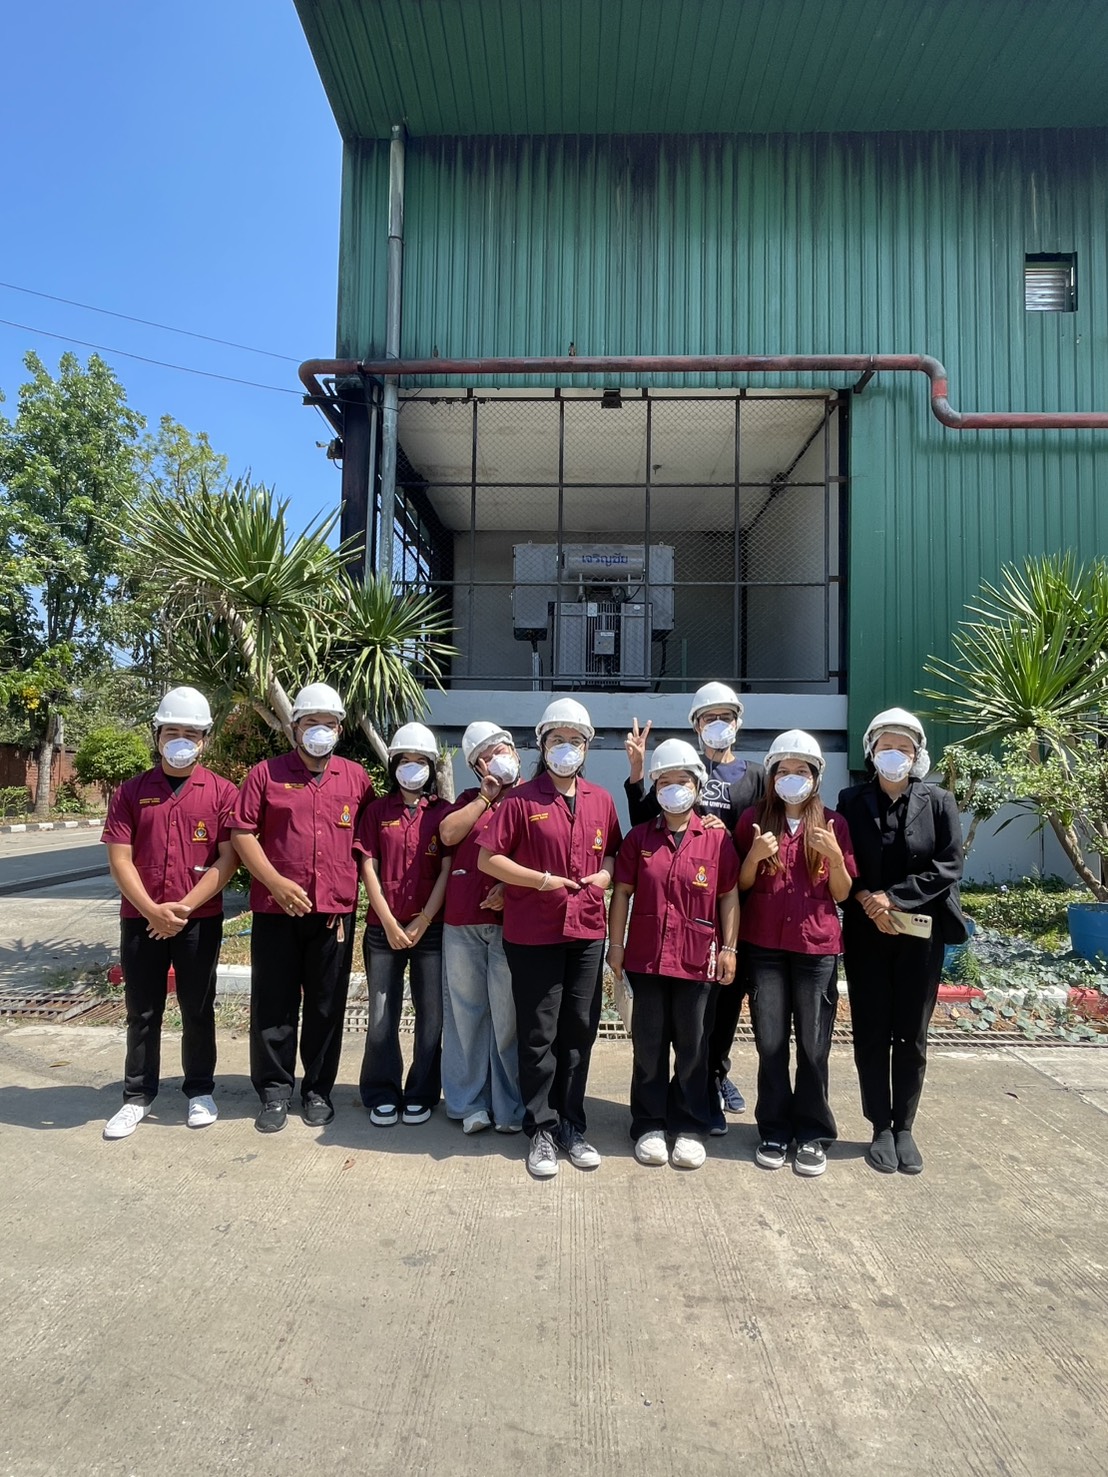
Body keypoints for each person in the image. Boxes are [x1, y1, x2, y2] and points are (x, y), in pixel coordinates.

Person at [478, 698, 622, 1179]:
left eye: (575, 740)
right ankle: (540, 1127)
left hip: (586, 931)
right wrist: (539, 881)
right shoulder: (521, 801)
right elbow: (488, 859)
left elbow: (612, 853)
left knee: (579, 1029)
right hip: (534, 932)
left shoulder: (601, 799)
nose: (567, 748)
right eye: (557, 739)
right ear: (542, 745)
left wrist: (605, 876)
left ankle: (572, 1125)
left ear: (587, 747)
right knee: (539, 1034)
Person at [231, 683, 373, 1133]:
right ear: (294, 728)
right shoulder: (266, 775)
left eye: (328, 723)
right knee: (273, 1003)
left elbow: (368, 841)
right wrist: (275, 882)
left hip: (333, 913)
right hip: (277, 911)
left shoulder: (356, 778)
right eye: (311, 723)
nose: (320, 731)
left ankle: (317, 1090)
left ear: (340, 729)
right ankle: (274, 1092)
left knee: (326, 1006)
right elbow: (242, 833)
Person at [624, 681, 764, 1131]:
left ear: (738, 721)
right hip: (675, 907)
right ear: (696, 725)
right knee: (678, 1021)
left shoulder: (755, 776)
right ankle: (672, 1101)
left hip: (732, 903)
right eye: (709, 718)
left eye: (725, 716)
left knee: (718, 1011)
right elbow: (645, 828)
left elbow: (764, 828)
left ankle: (712, 1082)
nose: (717, 724)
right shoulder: (679, 766)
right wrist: (638, 772)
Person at [101, 687, 239, 1140]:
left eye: (191, 733)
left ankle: (199, 1091)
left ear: (205, 739)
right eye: (172, 731)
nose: (181, 740)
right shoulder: (131, 792)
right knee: (142, 1010)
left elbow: (228, 859)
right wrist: (152, 911)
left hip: (199, 920)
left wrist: (184, 907)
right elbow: (120, 859)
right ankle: (137, 1096)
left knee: (197, 1008)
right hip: (141, 918)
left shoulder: (222, 792)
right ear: (157, 735)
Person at [836, 708, 967, 1176]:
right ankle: (879, 1126)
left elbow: (949, 865)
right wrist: (867, 901)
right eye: (886, 746)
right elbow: (841, 861)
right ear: (871, 751)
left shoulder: (939, 801)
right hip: (867, 932)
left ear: (917, 754)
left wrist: (892, 898)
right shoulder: (850, 800)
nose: (895, 754)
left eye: (904, 748)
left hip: (921, 935)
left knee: (912, 1031)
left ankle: (905, 1125)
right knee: (871, 1029)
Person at [607, 739, 740, 1170]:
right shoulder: (639, 838)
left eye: (682, 780)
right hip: (646, 958)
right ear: (655, 788)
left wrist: (730, 948)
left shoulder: (716, 839)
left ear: (697, 786)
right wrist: (615, 945)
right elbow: (621, 893)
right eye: (665, 781)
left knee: (693, 1046)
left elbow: (729, 895)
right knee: (648, 1045)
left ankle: (689, 1125)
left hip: (697, 959)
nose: (674, 788)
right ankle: (648, 1123)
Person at [735, 730, 856, 1177]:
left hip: (815, 949)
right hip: (765, 948)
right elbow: (740, 885)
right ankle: (773, 1128)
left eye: (800, 770)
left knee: (813, 1044)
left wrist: (836, 858)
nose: (791, 778)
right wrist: (754, 856)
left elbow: (843, 894)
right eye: (783, 770)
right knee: (770, 1042)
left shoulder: (833, 825)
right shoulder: (753, 819)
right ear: (771, 777)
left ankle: (811, 1132)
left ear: (816, 776)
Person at [355, 722, 451, 1127]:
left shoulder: (444, 814)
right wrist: (390, 923)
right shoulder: (377, 811)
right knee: (381, 1015)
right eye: (405, 760)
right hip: (383, 931)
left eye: (420, 761)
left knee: (432, 1017)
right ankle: (382, 1091)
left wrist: (424, 920)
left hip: (431, 931)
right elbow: (368, 868)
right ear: (393, 764)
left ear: (431, 767)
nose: (412, 768)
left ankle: (422, 1092)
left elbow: (446, 870)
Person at [438, 720, 525, 1135]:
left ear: (515, 752)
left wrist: (509, 888)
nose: (496, 759)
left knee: (508, 1018)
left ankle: (509, 1106)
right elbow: (447, 834)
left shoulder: (532, 799)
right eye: (485, 757)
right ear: (476, 768)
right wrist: (485, 797)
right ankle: (468, 1103)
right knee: (465, 1015)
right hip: (463, 923)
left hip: (513, 925)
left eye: (501, 750)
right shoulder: (468, 801)